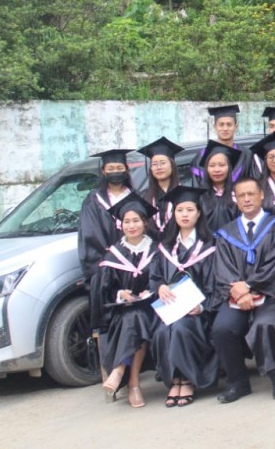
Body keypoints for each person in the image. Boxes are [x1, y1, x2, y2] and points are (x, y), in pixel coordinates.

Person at [211, 177, 275, 403]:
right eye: (241, 196)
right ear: (235, 200)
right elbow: (223, 268)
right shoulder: (227, 233)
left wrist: (250, 285)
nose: (246, 199)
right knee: (222, 328)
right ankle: (238, 383)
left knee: (267, 324)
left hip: (271, 293)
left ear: (261, 195)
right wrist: (239, 292)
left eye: (250, 194)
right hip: (237, 297)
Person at [149, 186, 218, 408]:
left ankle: (187, 379)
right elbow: (155, 277)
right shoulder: (165, 247)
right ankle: (175, 379)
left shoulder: (210, 246)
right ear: (174, 214)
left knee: (181, 329)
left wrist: (202, 307)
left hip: (199, 313)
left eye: (190, 209)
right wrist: (159, 287)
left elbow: (218, 284)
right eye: (180, 210)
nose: (185, 214)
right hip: (171, 309)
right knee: (161, 331)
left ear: (199, 213)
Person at [96, 193, 158, 408]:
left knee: (137, 315)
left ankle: (120, 370)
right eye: (127, 222)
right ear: (121, 225)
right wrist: (120, 294)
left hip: (155, 308)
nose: (131, 226)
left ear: (145, 222)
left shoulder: (157, 250)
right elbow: (103, 292)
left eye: (136, 221)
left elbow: (165, 280)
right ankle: (133, 385)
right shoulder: (113, 255)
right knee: (133, 316)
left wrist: (150, 292)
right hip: (121, 314)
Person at [79, 148, 135, 285]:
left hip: (135, 262)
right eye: (111, 168)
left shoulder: (136, 197)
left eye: (119, 168)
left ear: (126, 170)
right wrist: (112, 257)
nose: (115, 171)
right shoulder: (93, 200)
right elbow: (89, 233)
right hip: (105, 264)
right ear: (103, 171)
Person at [137, 137, 183, 234]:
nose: (159, 167)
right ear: (151, 169)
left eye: (162, 163)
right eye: (154, 164)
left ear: (172, 165)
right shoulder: (144, 197)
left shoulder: (183, 194)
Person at [191, 105, 249, 181]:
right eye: (221, 125)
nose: (225, 129)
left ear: (236, 127)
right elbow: (198, 186)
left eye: (229, 124)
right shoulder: (202, 156)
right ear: (215, 127)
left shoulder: (246, 155)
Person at [197, 141, 242, 230]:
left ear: (229, 167)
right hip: (207, 243)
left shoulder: (238, 193)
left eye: (222, 165)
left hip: (233, 242)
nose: (217, 170)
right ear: (206, 169)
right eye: (212, 166)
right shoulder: (199, 196)